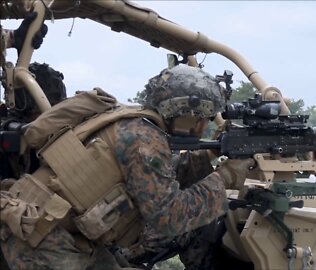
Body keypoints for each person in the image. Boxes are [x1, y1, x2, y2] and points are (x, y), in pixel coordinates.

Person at [0, 64, 254, 270]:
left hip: (61, 234)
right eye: (202, 118)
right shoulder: (145, 140)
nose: (202, 126)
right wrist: (226, 177)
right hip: (39, 238)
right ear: (185, 113)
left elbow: (153, 180)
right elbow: (169, 217)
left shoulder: (134, 122)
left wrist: (209, 153)